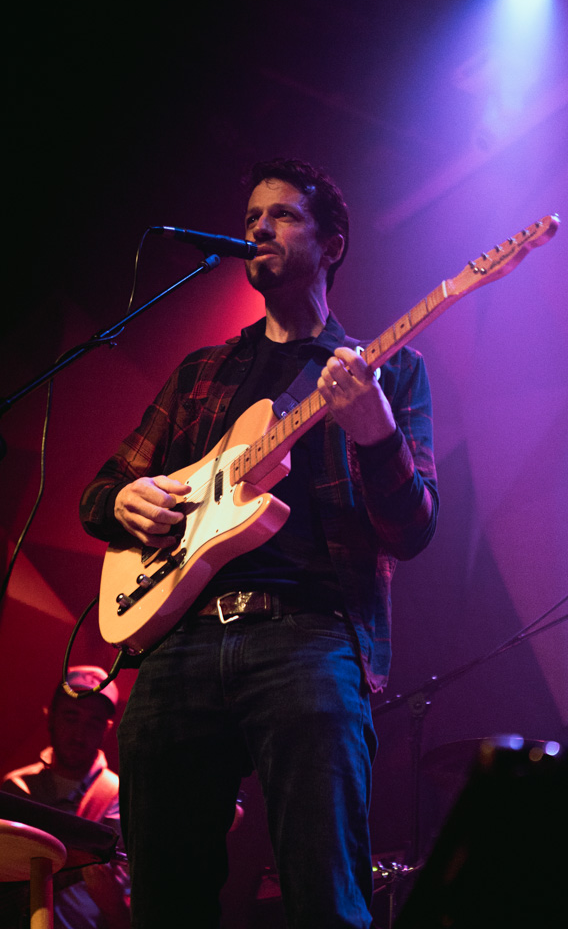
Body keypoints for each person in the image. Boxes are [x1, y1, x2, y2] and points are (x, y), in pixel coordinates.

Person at [79, 158, 439, 928]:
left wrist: (375, 436)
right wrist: (124, 501)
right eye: (249, 219)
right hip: (178, 645)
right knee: (165, 899)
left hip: (308, 639)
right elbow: (97, 493)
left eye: (280, 216)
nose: (256, 229)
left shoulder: (389, 369)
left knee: (323, 896)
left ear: (332, 244)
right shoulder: (202, 371)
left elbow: (414, 529)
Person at [1, 665, 131, 929]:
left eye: (93, 723)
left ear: (106, 729)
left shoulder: (123, 799)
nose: (79, 734)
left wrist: (114, 903)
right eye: (71, 717)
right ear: (50, 716)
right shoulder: (16, 788)